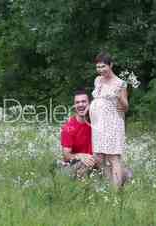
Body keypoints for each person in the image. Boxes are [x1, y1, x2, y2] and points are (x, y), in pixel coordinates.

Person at [89, 52, 129, 188]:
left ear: (110, 65)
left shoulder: (120, 83)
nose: (100, 70)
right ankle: (109, 183)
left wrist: (118, 96)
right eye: (98, 67)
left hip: (112, 123)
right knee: (100, 157)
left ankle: (116, 190)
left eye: (103, 66)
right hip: (98, 124)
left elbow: (125, 107)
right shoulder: (97, 80)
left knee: (113, 157)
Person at [60, 90, 96, 178]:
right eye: (77, 102)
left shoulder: (97, 123)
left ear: (90, 103)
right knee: (84, 166)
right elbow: (66, 156)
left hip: (97, 161)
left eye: (83, 101)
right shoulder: (68, 127)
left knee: (127, 173)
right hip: (75, 165)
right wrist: (80, 156)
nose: (80, 105)